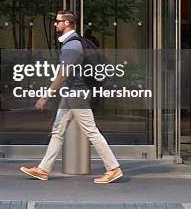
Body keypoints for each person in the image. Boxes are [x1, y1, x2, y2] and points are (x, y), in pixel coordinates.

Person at [19, 10, 123, 184]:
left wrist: (46, 96)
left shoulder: (71, 46)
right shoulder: (71, 43)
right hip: (71, 93)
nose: (55, 24)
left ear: (67, 23)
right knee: (57, 130)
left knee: (91, 131)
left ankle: (113, 168)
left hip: (77, 94)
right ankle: (43, 169)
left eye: (58, 21)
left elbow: (64, 73)